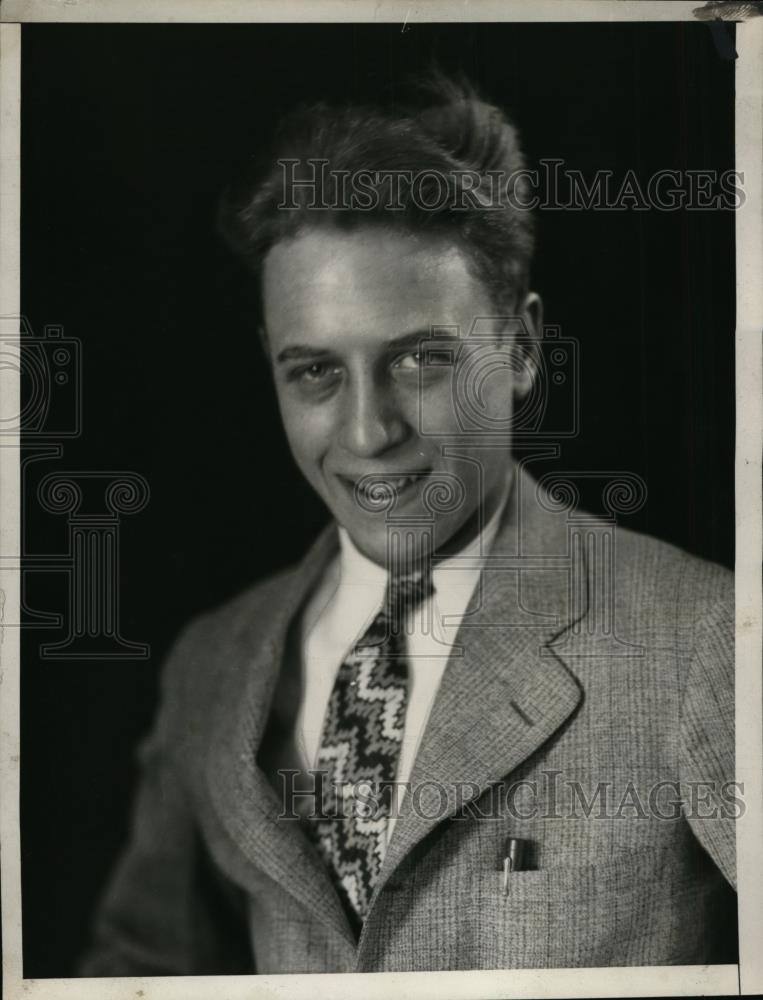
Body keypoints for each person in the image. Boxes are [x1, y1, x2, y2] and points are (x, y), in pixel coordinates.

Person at [80, 75, 736, 975]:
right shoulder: (213, 662)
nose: (365, 434)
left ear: (523, 351)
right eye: (314, 372)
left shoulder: (705, 640)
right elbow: (140, 971)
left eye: (421, 360)